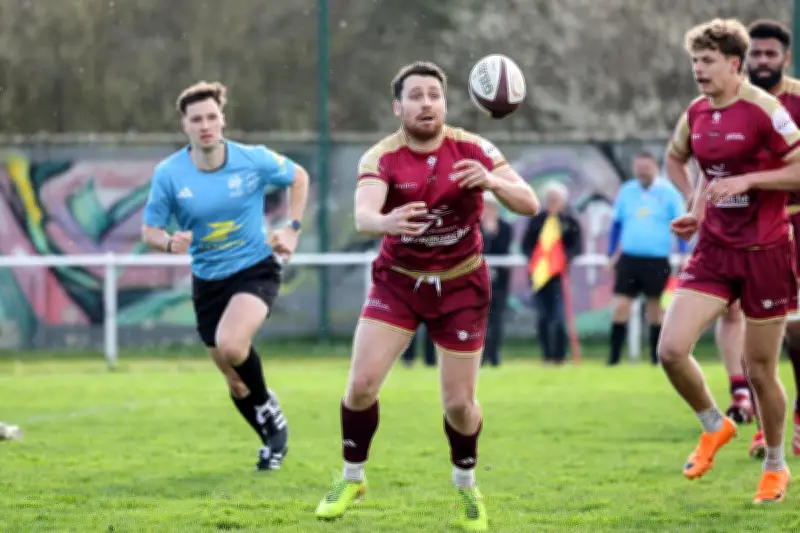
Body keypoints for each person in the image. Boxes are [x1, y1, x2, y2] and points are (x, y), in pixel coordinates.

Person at [313, 61, 539, 530]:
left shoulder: (473, 148)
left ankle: (466, 485)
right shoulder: (382, 156)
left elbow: (530, 203)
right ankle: (352, 477)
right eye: (415, 96)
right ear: (398, 107)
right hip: (398, 282)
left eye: (433, 94)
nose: (426, 103)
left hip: (461, 285)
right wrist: (386, 222)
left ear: (446, 102)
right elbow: (362, 215)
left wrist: (494, 182)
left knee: (459, 404)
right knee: (361, 385)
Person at [662, 18, 800, 503]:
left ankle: (777, 465)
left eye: (708, 61)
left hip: (766, 251)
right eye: (694, 61)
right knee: (671, 350)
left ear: (734, 64)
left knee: (761, 369)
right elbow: (694, 166)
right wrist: (694, 210)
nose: (698, 69)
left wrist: (750, 181)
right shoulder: (697, 113)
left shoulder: (767, 110)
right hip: (715, 251)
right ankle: (713, 424)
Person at [141, 81, 310, 472]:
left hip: (255, 268)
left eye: (212, 117)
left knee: (233, 345)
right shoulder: (169, 174)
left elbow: (299, 177)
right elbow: (149, 231)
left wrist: (292, 228)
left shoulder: (251, 159)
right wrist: (169, 244)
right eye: (196, 119)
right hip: (208, 281)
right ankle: (271, 441)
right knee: (235, 381)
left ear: (223, 120)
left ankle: (268, 404)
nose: (205, 125)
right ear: (184, 125)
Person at [742, 18, 800, 459]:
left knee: (796, 336)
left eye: (770, 54)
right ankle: (765, 428)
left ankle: (795, 418)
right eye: (755, 54)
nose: (762, 62)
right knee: (754, 337)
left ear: (785, 57)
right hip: (744, 231)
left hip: (794, 225)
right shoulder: (734, 103)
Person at [607, 152, 688, 366]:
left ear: (655, 168)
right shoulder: (627, 191)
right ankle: (613, 359)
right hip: (629, 259)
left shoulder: (669, 193)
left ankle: (655, 359)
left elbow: (681, 226)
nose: (643, 172)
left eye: (647, 167)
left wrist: (684, 253)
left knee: (655, 309)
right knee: (620, 307)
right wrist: (610, 253)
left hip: (657, 259)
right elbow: (616, 224)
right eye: (639, 168)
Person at [521, 181, 583, 364]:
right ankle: (546, 355)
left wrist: (564, 259)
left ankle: (559, 356)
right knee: (542, 317)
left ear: (563, 200)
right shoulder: (537, 220)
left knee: (558, 317)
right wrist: (536, 260)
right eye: (549, 199)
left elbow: (577, 247)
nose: (552, 202)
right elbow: (526, 245)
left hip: (559, 276)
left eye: (556, 199)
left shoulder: (570, 220)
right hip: (539, 275)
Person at [480, 191, 514, 367]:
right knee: (478, 320)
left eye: (491, 206)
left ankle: (494, 355)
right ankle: (480, 356)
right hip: (477, 281)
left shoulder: (506, 227)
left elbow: (502, 249)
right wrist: (485, 233)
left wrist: (493, 232)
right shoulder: (473, 226)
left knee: (497, 319)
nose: (488, 210)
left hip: (499, 282)